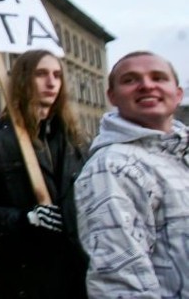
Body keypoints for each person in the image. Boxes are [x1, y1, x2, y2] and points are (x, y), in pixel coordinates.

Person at [0, 49, 89, 298]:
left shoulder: (78, 141)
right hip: (25, 280)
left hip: (77, 276)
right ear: (23, 80)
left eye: (57, 75)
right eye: (41, 74)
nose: (51, 82)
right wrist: (25, 219)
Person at [74, 51, 187, 298]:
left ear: (178, 94)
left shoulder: (182, 155)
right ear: (112, 97)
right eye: (130, 80)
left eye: (158, 77)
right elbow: (119, 280)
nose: (147, 85)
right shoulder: (112, 166)